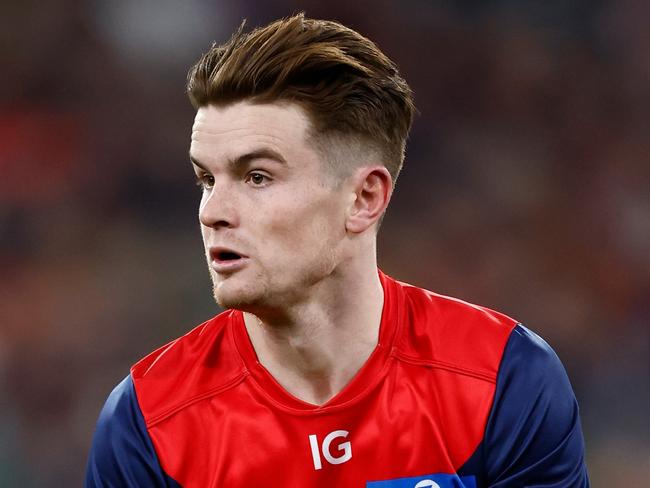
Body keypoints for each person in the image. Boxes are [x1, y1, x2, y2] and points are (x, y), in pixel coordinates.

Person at [85, 14, 589, 487]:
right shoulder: (148, 421)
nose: (212, 210)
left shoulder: (503, 379)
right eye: (206, 179)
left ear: (364, 198)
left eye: (257, 176)